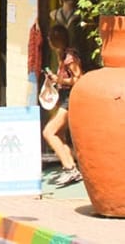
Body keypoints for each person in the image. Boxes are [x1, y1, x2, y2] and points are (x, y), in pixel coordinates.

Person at [42, 46, 83, 186]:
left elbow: (78, 78)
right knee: (58, 134)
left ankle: (70, 168)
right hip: (65, 97)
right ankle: (71, 167)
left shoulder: (69, 57)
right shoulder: (61, 57)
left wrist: (59, 80)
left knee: (49, 132)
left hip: (70, 98)